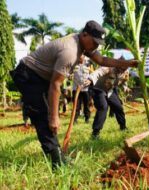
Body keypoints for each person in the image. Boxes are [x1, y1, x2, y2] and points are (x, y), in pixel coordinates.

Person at [10, 20, 138, 169]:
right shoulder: (70, 51)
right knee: (43, 115)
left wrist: (127, 64)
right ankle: (57, 163)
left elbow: (102, 60)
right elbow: (56, 84)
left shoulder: (83, 44)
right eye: (95, 42)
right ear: (85, 34)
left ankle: (56, 155)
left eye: (99, 43)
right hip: (28, 75)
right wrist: (54, 117)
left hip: (40, 77)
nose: (96, 46)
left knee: (46, 112)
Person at [84, 58, 130, 138]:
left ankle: (123, 127)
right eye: (121, 68)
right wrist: (90, 79)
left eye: (125, 68)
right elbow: (98, 72)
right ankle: (95, 132)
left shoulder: (125, 72)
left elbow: (124, 80)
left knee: (118, 107)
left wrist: (125, 88)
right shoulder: (109, 68)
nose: (122, 70)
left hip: (109, 91)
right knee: (103, 107)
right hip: (98, 89)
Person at [72, 54, 92, 123]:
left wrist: (90, 81)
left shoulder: (88, 64)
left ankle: (87, 118)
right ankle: (74, 119)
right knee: (76, 104)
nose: (80, 58)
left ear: (84, 57)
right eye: (79, 57)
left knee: (86, 104)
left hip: (85, 88)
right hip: (76, 88)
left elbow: (92, 74)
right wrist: (70, 76)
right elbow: (68, 73)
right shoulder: (73, 64)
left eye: (82, 57)